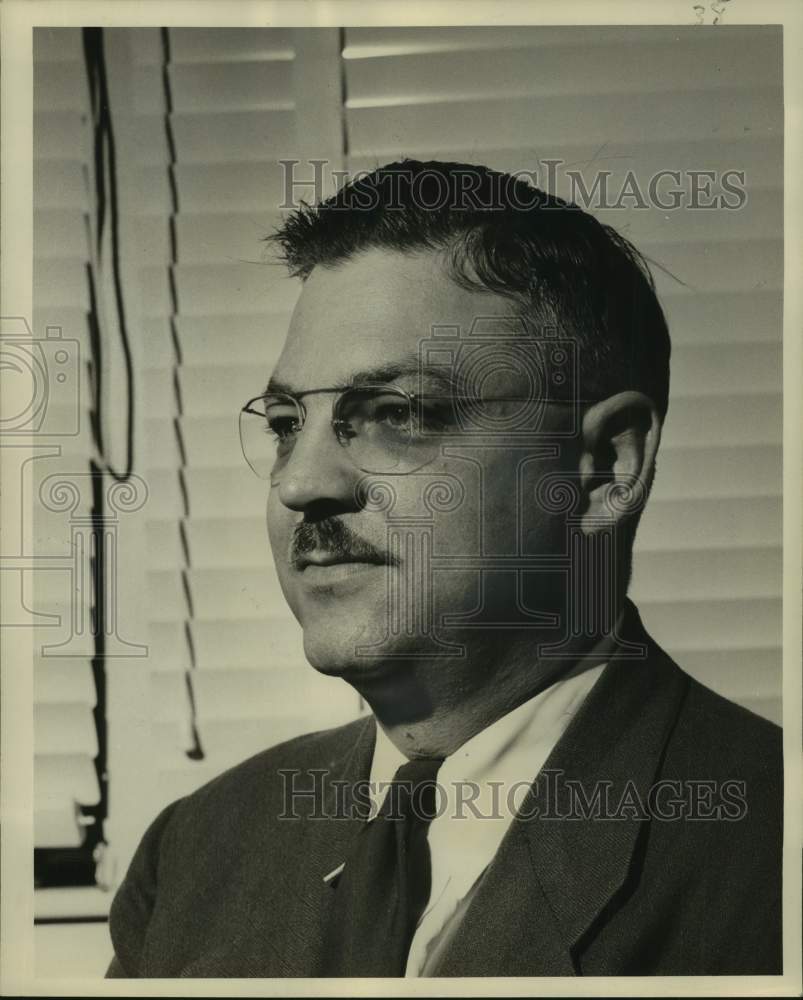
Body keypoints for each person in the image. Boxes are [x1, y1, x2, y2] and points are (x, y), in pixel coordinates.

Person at [106, 161, 782, 978]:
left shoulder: (772, 856)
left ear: (602, 467)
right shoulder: (197, 850)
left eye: (397, 414)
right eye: (288, 424)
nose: (300, 483)